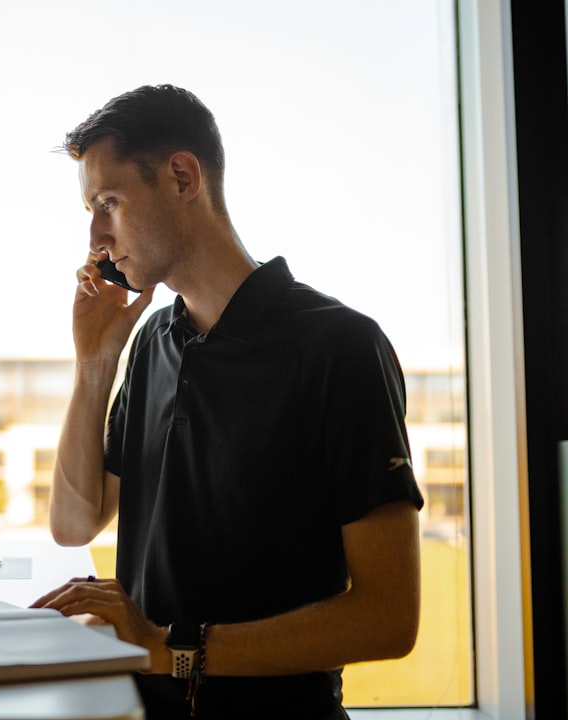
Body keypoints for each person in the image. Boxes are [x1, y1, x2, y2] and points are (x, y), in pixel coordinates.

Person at [30, 84, 424, 719]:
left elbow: (388, 618)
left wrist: (171, 647)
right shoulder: (155, 340)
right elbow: (75, 524)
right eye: (89, 211)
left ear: (183, 177)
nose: (97, 237)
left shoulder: (339, 346)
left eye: (109, 202)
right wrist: (95, 363)